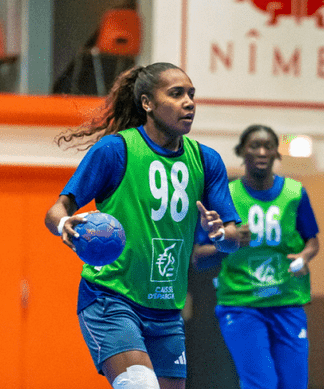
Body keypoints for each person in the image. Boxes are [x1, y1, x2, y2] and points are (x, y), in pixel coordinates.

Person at [44, 62, 244, 389]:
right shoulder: (116, 150)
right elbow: (56, 210)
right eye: (176, 94)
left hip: (166, 311)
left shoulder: (206, 160)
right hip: (111, 299)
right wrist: (64, 222)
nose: (189, 102)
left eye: (191, 95)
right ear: (147, 103)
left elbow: (233, 239)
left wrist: (221, 233)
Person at [192, 124, 321, 389]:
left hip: (287, 300)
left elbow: (312, 241)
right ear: (241, 152)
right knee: (261, 383)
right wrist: (229, 241)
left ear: (277, 154)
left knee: (294, 384)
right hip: (241, 304)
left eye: (268, 146)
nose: (262, 152)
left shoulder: (295, 193)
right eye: (254, 146)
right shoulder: (226, 195)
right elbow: (197, 256)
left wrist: (304, 258)